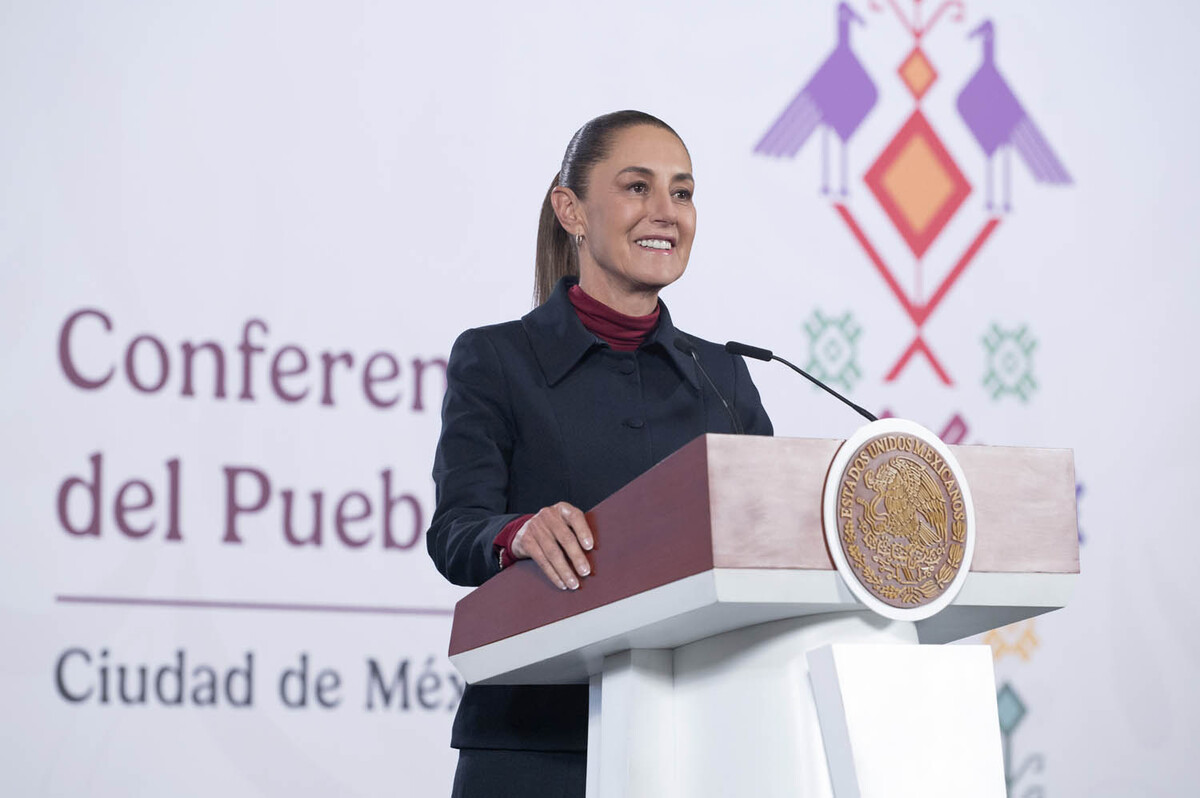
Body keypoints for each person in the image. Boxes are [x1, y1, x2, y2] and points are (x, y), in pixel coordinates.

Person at [426, 110, 773, 798]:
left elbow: (770, 542)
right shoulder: (496, 359)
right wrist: (517, 532)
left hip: (700, 744)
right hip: (535, 748)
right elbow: (455, 531)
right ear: (571, 209)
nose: (666, 212)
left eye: (682, 192)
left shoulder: (725, 377)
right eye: (638, 187)